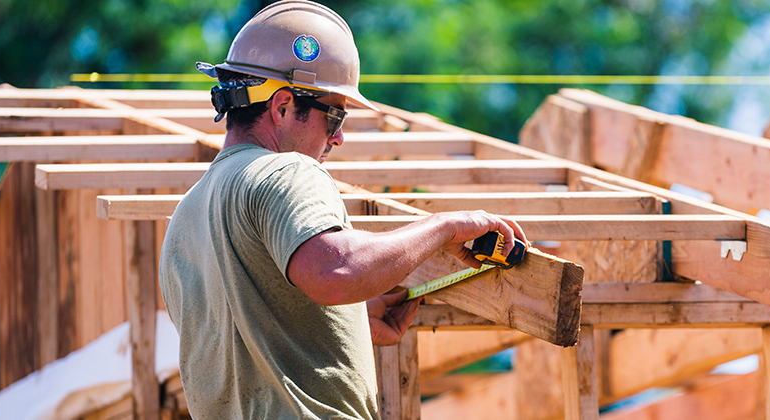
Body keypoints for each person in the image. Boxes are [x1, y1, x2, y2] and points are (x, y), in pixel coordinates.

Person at [157, 1, 527, 418]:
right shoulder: (286, 170)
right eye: (334, 117)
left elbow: (247, 334)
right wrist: (445, 227)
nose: (338, 139)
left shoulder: (184, 219)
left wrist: (345, 319)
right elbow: (337, 272)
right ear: (281, 107)